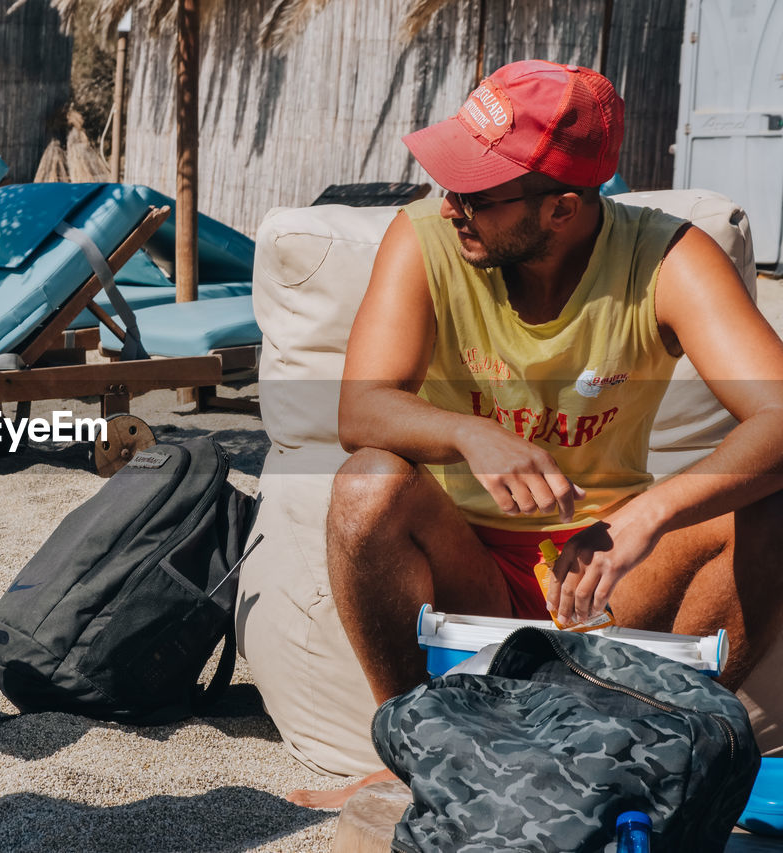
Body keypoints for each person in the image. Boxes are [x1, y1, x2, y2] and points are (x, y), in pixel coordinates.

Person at [327, 59, 783, 711]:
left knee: (771, 502)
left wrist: (645, 518)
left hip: (608, 573)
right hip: (468, 560)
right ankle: (409, 751)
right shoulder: (423, 238)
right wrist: (468, 434)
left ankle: (676, 749)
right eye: (449, 181)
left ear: (562, 209)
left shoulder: (667, 259)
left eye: (477, 194)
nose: (450, 205)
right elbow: (358, 411)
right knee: (365, 484)